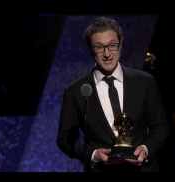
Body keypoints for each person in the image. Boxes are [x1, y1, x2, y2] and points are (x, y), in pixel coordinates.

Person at [57, 16, 169, 172]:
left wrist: (146, 148)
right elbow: (65, 139)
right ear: (91, 50)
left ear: (121, 45)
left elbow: (161, 127)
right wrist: (93, 154)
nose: (107, 53)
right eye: (99, 47)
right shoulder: (75, 92)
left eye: (112, 45)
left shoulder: (145, 82)